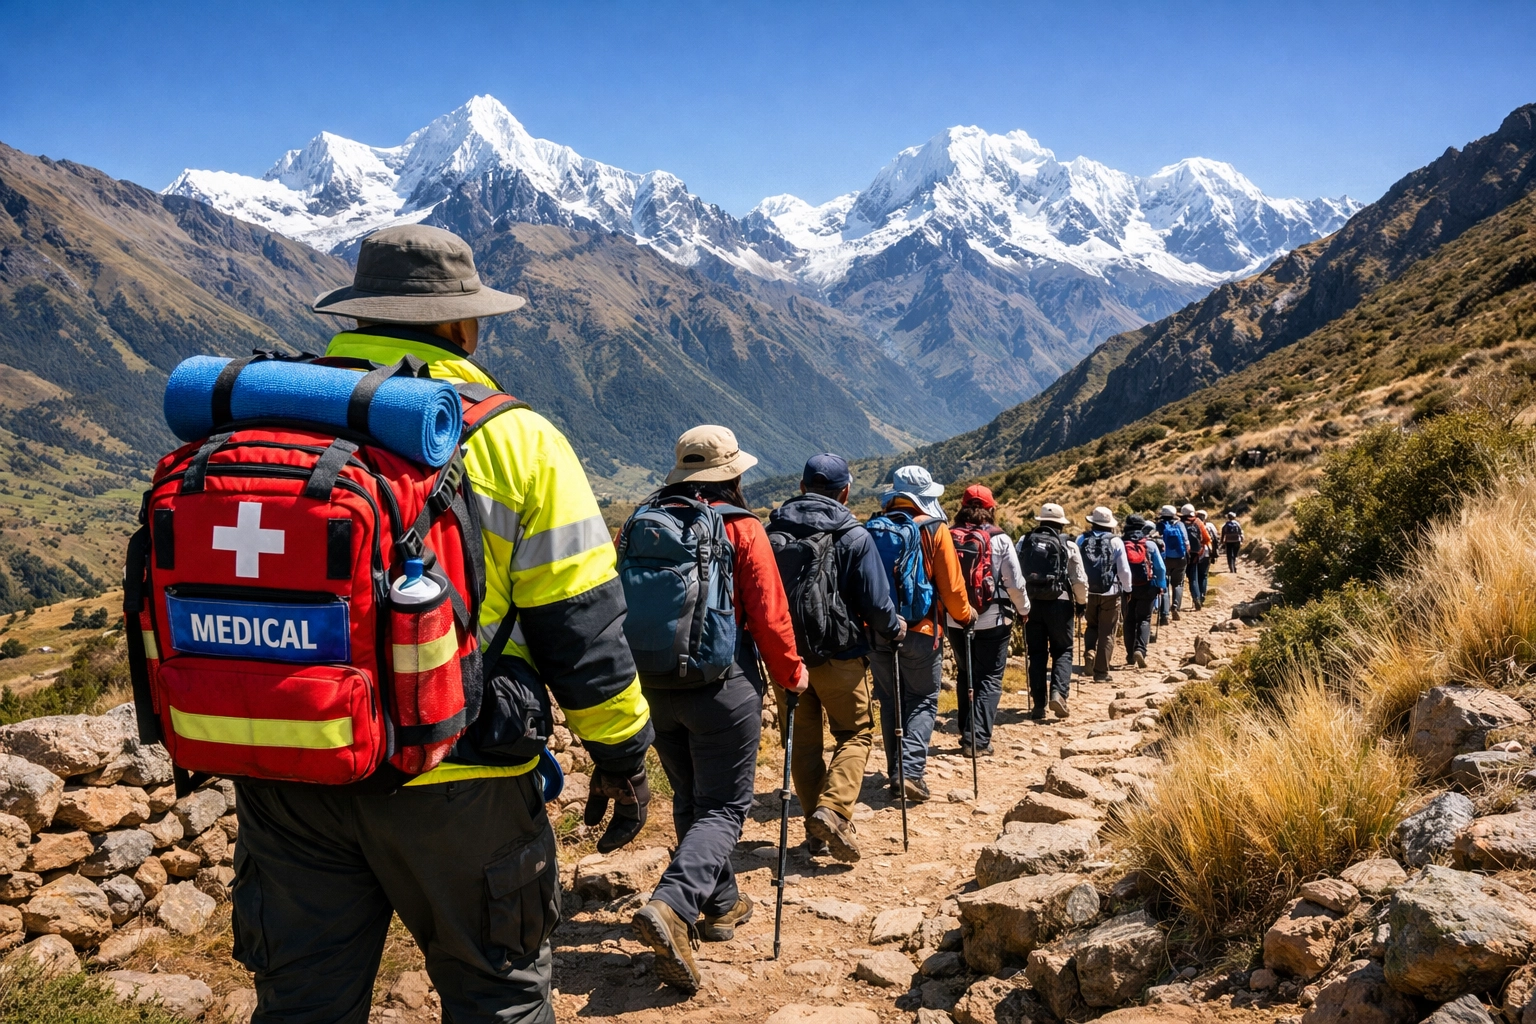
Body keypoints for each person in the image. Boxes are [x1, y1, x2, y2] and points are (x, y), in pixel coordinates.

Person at [233, 224, 655, 1024]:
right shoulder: (515, 438)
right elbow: (582, 628)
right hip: (456, 778)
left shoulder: (272, 417)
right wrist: (622, 753)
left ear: (358, 315)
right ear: (464, 326)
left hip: (292, 770)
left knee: (300, 1006)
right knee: (498, 996)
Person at [624, 426, 807, 994]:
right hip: (723, 688)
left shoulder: (641, 520)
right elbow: (770, 616)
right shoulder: (743, 528)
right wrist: (791, 674)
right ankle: (675, 905)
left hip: (654, 686)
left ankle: (721, 904)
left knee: (691, 798)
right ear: (733, 473)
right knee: (725, 807)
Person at [766, 453, 904, 862]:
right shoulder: (853, 535)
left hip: (786, 657)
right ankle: (833, 810)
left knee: (803, 744)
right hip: (839, 655)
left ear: (803, 487)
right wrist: (894, 629)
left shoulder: (771, 532)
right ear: (845, 491)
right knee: (855, 733)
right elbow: (878, 605)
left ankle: (816, 826)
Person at [867, 466, 974, 803]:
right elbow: (953, 588)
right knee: (924, 699)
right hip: (921, 630)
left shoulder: (871, 528)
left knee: (889, 700)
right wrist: (965, 616)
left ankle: (895, 768)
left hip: (879, 629)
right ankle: (909, 772)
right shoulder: (934, 529)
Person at [944, 485, 1029, 756]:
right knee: (989, 677)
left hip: (956, 618)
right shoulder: (1000, 539)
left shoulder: (946, 535)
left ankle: (965, 730)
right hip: (993, 618)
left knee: (965, 673)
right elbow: (1014, 583)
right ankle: (977, 740)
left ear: (962, 506)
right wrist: (1024, 609)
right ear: (991, 509)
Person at [1017, 503, 1088, 719]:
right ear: (1060, 524)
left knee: (1036, 653)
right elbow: (1079, 579)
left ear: (1041, 521)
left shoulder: (1024, 541)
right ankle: (1058, 693)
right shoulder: (1068, 544)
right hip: (1060, 603)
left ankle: (1038, 704)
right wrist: (1082, 603)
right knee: (1063, 650)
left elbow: (1015, 571)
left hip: (1031, 603)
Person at [1076, 506, 1131, 684]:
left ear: (1092, 522)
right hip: (1110, 592)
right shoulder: (1115, 541)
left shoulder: (1081, 539)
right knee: (1107, 632)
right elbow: (1123, 570)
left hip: (1087, 591)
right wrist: (1128, 589)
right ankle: (1101, 672)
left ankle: (1089, 651)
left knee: (1091, 625)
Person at [1120, 515, 1167, 668]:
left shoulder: (1120, 543)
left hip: (1127, 588)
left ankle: (1129, 655)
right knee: (1144, 619)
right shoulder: (1149, 544)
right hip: (1148, 586)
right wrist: (1161, 585)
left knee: (1128, 620)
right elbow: (1160, 568)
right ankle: (1140, 649)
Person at [1157, 504, 1190, 621]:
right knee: (1178, 584)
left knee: (1164, 586)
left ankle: (1164, 614)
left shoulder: (1159, 526)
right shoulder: (1180, 524)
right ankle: (1176, 607)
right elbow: (1186, 543)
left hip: (1164, 560)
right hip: (1180, 559)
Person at [1186, 506, 1213, 609]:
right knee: (1204, 575)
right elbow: (1208, 539)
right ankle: (1201, 596)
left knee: (1193, 577)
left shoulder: (1182, 523)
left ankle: (1195, 597)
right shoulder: (1202, 524)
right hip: (1202, 552)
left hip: (1188, 554)